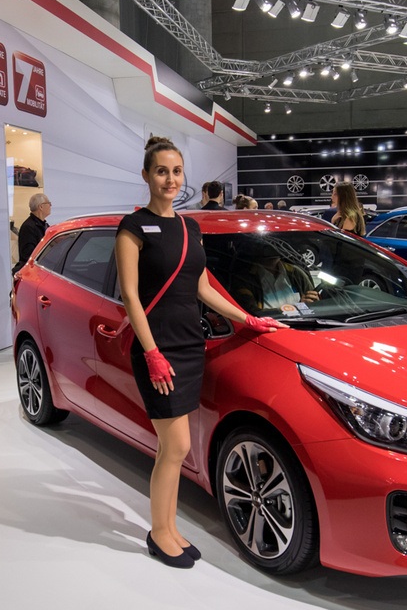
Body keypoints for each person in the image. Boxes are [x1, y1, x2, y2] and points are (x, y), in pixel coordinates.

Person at [115, 136, 285, 569]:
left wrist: (247, 319)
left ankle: (168, 527)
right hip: (159, 348)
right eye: (161, 171)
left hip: (190, 344)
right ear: (146, 175)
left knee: (174, 449)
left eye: (176, 171)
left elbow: (203, 288)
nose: (170, 180)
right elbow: (131, 296)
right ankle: (159, 533)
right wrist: (151, 353)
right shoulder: (133, 227)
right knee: (175, 446)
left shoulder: (190, 228)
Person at [230, 239, 319, 313]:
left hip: (303, 325)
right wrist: (295, 308)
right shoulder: (245, 279)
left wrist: (313, 302)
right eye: (266, 245)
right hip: (267, 327)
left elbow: (313, 305)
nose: (271, 249)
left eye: (275, 245)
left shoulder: (295, 273)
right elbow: (250, 313)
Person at [14, 193, 51, 273]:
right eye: (48, 203)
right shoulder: (28, 227)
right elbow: (28, 254)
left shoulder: (44, 225)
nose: (50, 206)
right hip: (34, 271)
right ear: (41, 207)